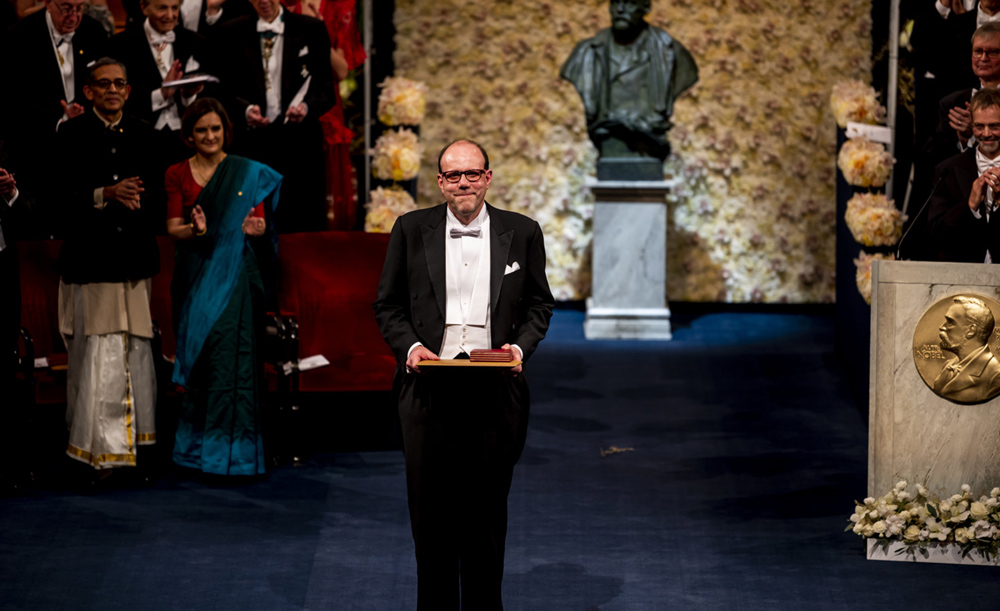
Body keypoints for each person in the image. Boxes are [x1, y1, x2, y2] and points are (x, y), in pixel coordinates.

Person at [374, 139, 554, 610]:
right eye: (453, 176)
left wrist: (519, 348)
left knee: (485, 519)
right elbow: (388, 305)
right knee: (430, 519)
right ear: (440, 183)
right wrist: (410, 348)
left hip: (495, 390)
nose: (463, 184)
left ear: (488, 178)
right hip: (426, 389)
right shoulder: (411, 230)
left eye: (472, 174)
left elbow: (539, 303)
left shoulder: (523, 232)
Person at [56, 58, 162, 477]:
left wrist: (137, 200)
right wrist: (106, 194)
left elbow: (156, 198)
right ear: (88, 91)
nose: (112, 90)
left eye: (120, 83)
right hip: (91, 260)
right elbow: (60, 201)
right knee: (98, 355)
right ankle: (96, 452)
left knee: (137, 351)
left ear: (129, 90)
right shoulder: (71, 135)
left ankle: (137, 449)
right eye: (103, 84)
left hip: (134, 259)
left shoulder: (144, 134)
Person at [166, 97, 281, 477]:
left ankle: (235, 456)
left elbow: (258, 224)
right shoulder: (177, 173)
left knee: (234, 363)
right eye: (202, 130)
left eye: (215, 129)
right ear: (189, 135)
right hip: (196, 274)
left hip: (236, 275)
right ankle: (197, 453)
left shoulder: (248, 172)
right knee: (202, 359)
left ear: (225, 131)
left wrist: (258, 231)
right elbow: (173, 229)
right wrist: (195, 229)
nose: (210, 136)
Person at [216, 0, 336, 233]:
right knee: (253, 223)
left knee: (302, 224)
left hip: (301, 146)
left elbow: (326, 90)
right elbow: (222, 89)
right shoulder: (230, 32)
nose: (263, 1)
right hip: (252, 145)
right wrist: (245, 110)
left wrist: (306, 108)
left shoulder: (311, 29)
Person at [3, 0, 108, 235]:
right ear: (48, 4)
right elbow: (14, 100)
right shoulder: (20, 36)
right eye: (66, 8)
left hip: (87, 141)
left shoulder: (94, 31)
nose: (74, 16)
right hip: (38, 144)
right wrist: (60, 120)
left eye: (80, 8)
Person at [560, 0, 698, 162]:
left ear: (646, 8)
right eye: (615, 3)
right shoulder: (586, 53)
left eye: (629, 3)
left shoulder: (672, 53)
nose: (620, 10)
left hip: (649, 150)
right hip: (609, 145)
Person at [284, 0, 365, 230]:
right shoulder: (284, 3)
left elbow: (341, 70)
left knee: (323, 195)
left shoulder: (340, 6)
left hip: (326, 107)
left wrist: (319, 29)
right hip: (288, 107)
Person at [109, 0, 211, 168]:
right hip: (139, 140)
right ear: (143, 7)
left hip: (186, 139)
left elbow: (209, 98)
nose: (170, 16)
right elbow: (117, 100)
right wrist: (162, 94)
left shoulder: (194, 41)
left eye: (175, 8)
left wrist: (189, 94)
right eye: (162, 8)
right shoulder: (120, 45)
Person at [927, 88, 1000, 261]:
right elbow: (934, 235)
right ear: (972, 126)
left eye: (994, 126)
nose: (987, 134)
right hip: (962, 278)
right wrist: (969, 207)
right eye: (979, 126)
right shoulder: (948, 170)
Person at [932, 295, 1000, 403]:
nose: (942, 327)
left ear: (971, 331)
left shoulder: (995, 375)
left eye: (950, 322)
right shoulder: (947, 366)